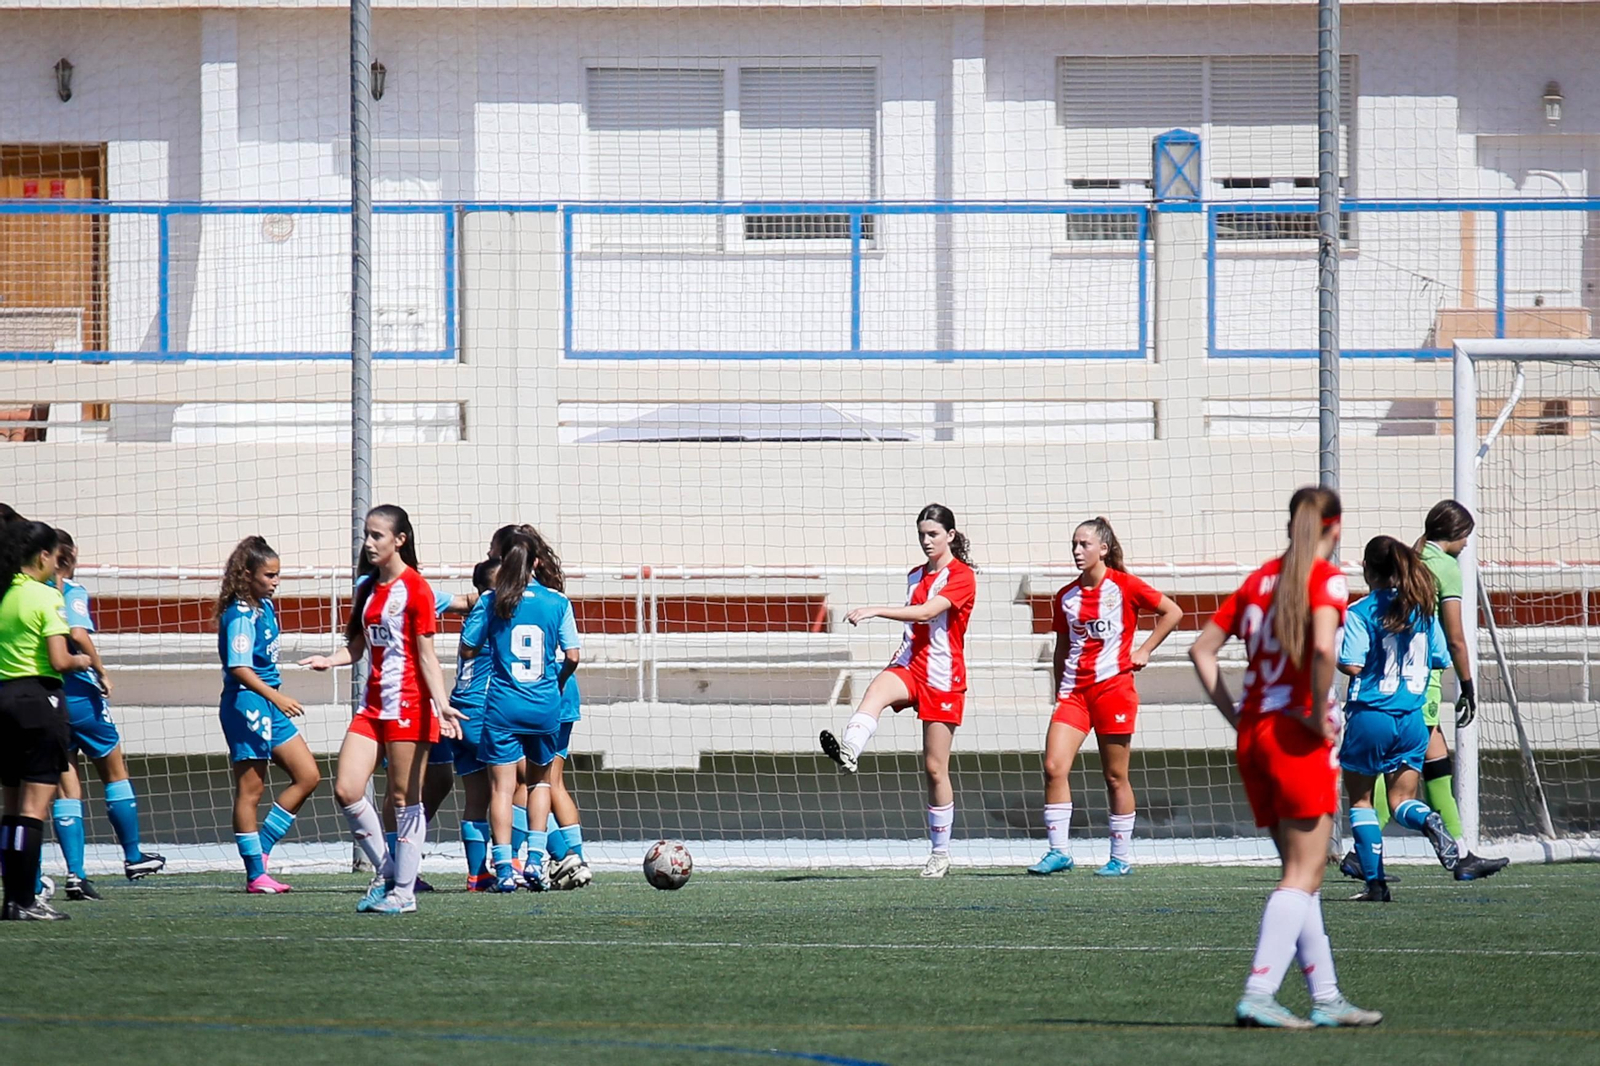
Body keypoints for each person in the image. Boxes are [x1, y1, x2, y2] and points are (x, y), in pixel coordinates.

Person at [1189, 487, 1381, 1029]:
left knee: (1302, 873)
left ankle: (1326, 996)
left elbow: (1201, 649)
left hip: (1255, 734)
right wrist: (1314, 711)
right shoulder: (1325, 578)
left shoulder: (1259, 580)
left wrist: (1237, 716)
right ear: (1334, 528)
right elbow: (1322, 650)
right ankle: (1260, 992)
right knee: (1304, 871)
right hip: (1295, 737)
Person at [300, 505, 457, 914]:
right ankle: (389, 872)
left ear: (399, 540)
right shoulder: (368, 587)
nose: (368, 543)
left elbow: (427, 657)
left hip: (410, 705)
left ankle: (403, 893)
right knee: (347, 789)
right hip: (372, 707)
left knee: (405, 799)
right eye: (366, 535)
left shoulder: (417, 589)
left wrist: (442, 705)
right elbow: (357, 646)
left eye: (377, 536)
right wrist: (329, 660)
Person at [1340, 500, 1508, 882]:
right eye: (1465, 535)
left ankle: (1373, 866)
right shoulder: (1433, 584)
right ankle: (1453, 846)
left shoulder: (1368, 603)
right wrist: (1466, 684)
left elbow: (1351, 662)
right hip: (1416, 700)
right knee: (1417, 781)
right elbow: (1449, 645)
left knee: (1370, 792)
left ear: (1369, 569)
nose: (1466, 543)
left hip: (1376, 707)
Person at [820, 504, 977, 880]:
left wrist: (875, 609)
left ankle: (940, 853)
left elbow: (926, 613)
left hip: (942, 676)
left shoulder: (962, 576)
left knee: (935, 769)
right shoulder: (914, 575)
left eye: (933, 534)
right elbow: (916, 624)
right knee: (874, 692)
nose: (926, 541)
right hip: (909, 665)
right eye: (922, 534)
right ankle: (850, 752)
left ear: (950, 536)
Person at [1027, 518, 1182, 877]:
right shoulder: (1066, 596)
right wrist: (1060, 688)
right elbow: (1062, 646)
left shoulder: (1124, 586)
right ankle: (1059, 852)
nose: (1077, 551)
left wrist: (1144, 649)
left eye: (1084, 544)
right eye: (1074, 544)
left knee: (1115, 776)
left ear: (1103, 549)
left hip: (1113, 690)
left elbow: (1172, 612)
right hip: (1074, 695)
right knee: (1053, 767)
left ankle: (1120, 858)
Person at [49, 530, 166, 900]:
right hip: (81, 695)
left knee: (66, 783)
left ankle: (75, 874)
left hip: (49, 698)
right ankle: (133, 856)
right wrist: (100, 670)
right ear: (68, 556)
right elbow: (78, 632)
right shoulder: (70, 590)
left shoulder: (28, 591)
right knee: (114, 769)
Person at [461, 529, 579, 893]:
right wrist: (556, 681)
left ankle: (503, 869)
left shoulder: (492, 599)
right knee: (541, 782)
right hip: (544, 704)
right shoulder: (557, 601)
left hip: (503, 705)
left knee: (502, 788)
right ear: (537, 563)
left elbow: (468, 647)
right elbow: (573, 656)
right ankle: (535, 862)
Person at [215, 536, 323, 893]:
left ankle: (260, 853)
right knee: (251, 789)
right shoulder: (240, 614)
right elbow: (239, 668)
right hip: (247, 704)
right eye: (269, 575)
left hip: (268, 705)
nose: (276, 582)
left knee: (308, 776)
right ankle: (254, 874)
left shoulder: (264, 606)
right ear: (247, 575)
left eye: (277, 575)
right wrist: (276, 696)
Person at [0, 521, 91, 920]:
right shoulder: (45, 596)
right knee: (33, 809)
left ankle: (11, 899)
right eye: (55, 557)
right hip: (38, 701)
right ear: (42, 556)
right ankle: (25, 900)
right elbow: (58, 659)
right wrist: (82, 660)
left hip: (3, 698)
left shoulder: (5, 594)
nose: (57, 565)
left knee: (10, 808)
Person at [446, 556, 499, 890]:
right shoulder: (493, 610)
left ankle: (477, 873)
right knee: (524, 781)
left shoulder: (477, 610)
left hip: (461, 709)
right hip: (481, 711)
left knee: (477, 796)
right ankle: (519, 862)